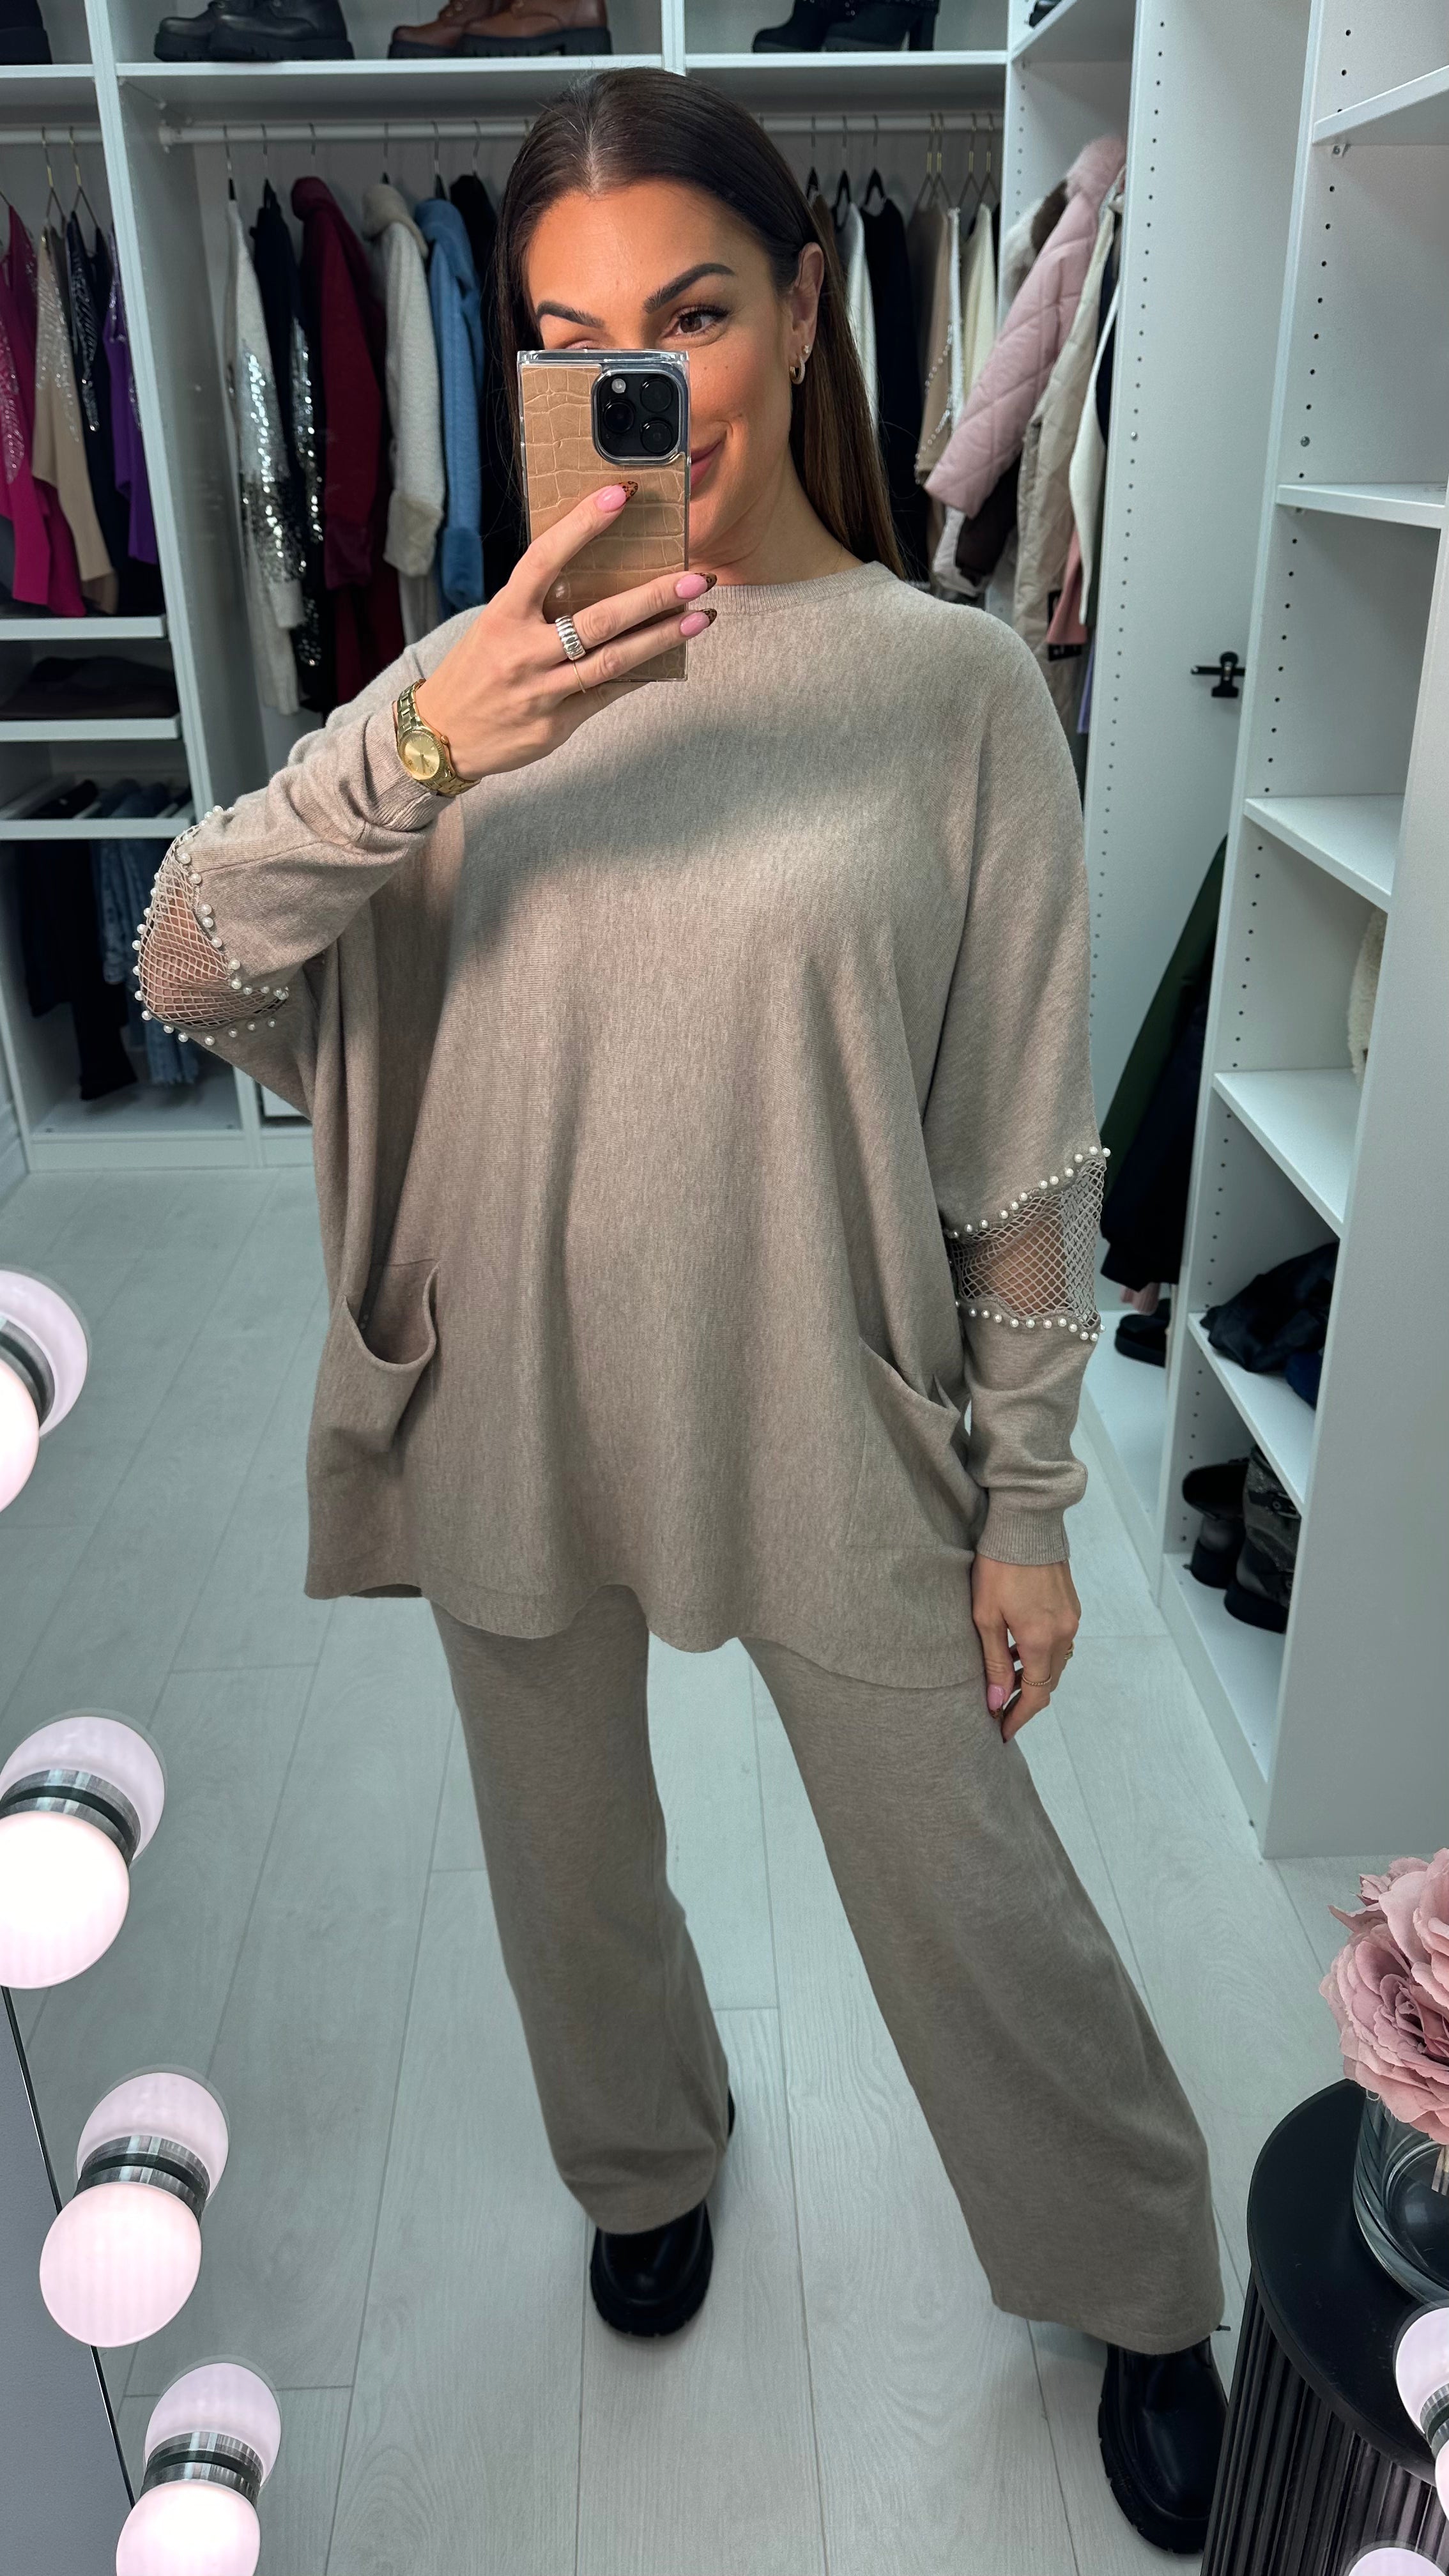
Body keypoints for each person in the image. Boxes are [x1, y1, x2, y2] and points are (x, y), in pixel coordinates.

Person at [135, 68, 1227, 2556]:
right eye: (569, 340)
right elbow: (193, 967)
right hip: (503, 1382)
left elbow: (1017, 1152)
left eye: (695, 312)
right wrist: (425, 748)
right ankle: (641, 2162)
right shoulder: (464, 679)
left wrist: (1025, 1506)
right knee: (565, 1861)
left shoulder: (949, 694)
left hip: (818, 1395)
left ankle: (1137, 2272)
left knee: (963, 1878)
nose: (644, 383)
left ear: (808, 309)